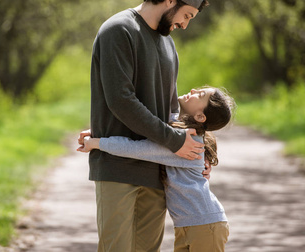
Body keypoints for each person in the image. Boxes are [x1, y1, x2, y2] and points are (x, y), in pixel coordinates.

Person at [78, 0, 209, 252]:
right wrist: (175, 142)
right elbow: (121, 100)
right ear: (171, 0)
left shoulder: (168, 44)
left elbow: (171, 110)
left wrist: (199, 153)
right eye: (186, 15)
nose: (185, 25)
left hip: (157, 170)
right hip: (117, 167)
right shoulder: (119, 30)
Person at [78, 86, 236, 252]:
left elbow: (137, 148)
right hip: (189, 225)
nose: (194, 90)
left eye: (201, 95)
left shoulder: (186, 143)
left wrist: (97, 143)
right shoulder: (176, 129)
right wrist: (99, 132)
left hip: (205, 225)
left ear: (199, 116)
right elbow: (145, 127)